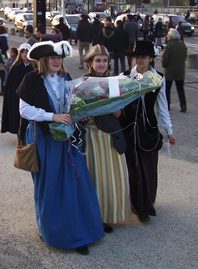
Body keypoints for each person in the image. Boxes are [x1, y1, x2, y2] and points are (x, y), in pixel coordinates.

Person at [16, 40, 105, 255]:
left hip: (67, 138)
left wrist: (81, 114)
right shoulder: (32, 79)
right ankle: (53, 232)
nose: (57, 61)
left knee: (76, 183)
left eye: (59, 57)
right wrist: (52, 116)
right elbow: (24, 110)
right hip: (45, 138)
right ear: (44, 60)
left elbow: (72, 105)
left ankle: (80, 232)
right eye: (52, 57)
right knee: (51, 186)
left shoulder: (66, 78)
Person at [119, 40, 176, 222]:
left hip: (149, 129)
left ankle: (146, 202)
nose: (139, 60)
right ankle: (137, 206)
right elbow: (116, 102)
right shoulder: (125, 75)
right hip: (128, 128)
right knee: (133, 169)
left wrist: (169, 130)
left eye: (143, 57)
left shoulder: (158, 78)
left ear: (151, 58)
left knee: (148, 168)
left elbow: (162, 106)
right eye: (136, 57)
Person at [80, 45, 132, 232]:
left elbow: (118, 114)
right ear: (91, 63)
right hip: (90, 136)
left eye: (104, 60)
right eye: (98, 60)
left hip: (109, 136)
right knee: (93, 177)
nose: (101, 64)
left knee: (109, 178)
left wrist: (106, 102)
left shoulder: (115, 82)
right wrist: (84, 113)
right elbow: (76, 112)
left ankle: (109, 214)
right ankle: (95, 217)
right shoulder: (82, 82)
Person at [1, 43, 37, 141]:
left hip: (31, 97)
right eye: (23, 53)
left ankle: (29, 135)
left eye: (27, 52)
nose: (25, 55)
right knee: (18, 117)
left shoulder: (34, 67)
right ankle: (20, 135)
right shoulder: (16, 67)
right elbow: (11, 84)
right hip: (17, 96)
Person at [162, 29, 188, 112]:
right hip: (180, 70)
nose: (167, 36)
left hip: (169, 70)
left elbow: (165, 59)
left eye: (168, 35)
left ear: (171, 36)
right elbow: (185, 56)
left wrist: (164, 65)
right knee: (180, 89)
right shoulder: (182, 44)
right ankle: (183, 105)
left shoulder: (169, 45)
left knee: (167, 89)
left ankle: (167, 105)